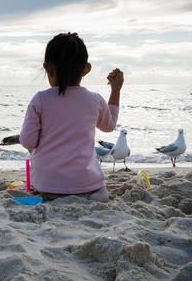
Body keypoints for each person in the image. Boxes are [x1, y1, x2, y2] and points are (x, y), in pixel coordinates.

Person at [19, 32, 123, 202]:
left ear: (48, 68)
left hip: (46, 185)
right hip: (86, 185)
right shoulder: (95, 100)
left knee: (40, 192)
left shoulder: (40, 100)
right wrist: (115, 90)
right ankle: (95, 197)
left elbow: (28, 142)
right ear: (86, 69)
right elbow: (109, 126)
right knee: (102, 193)